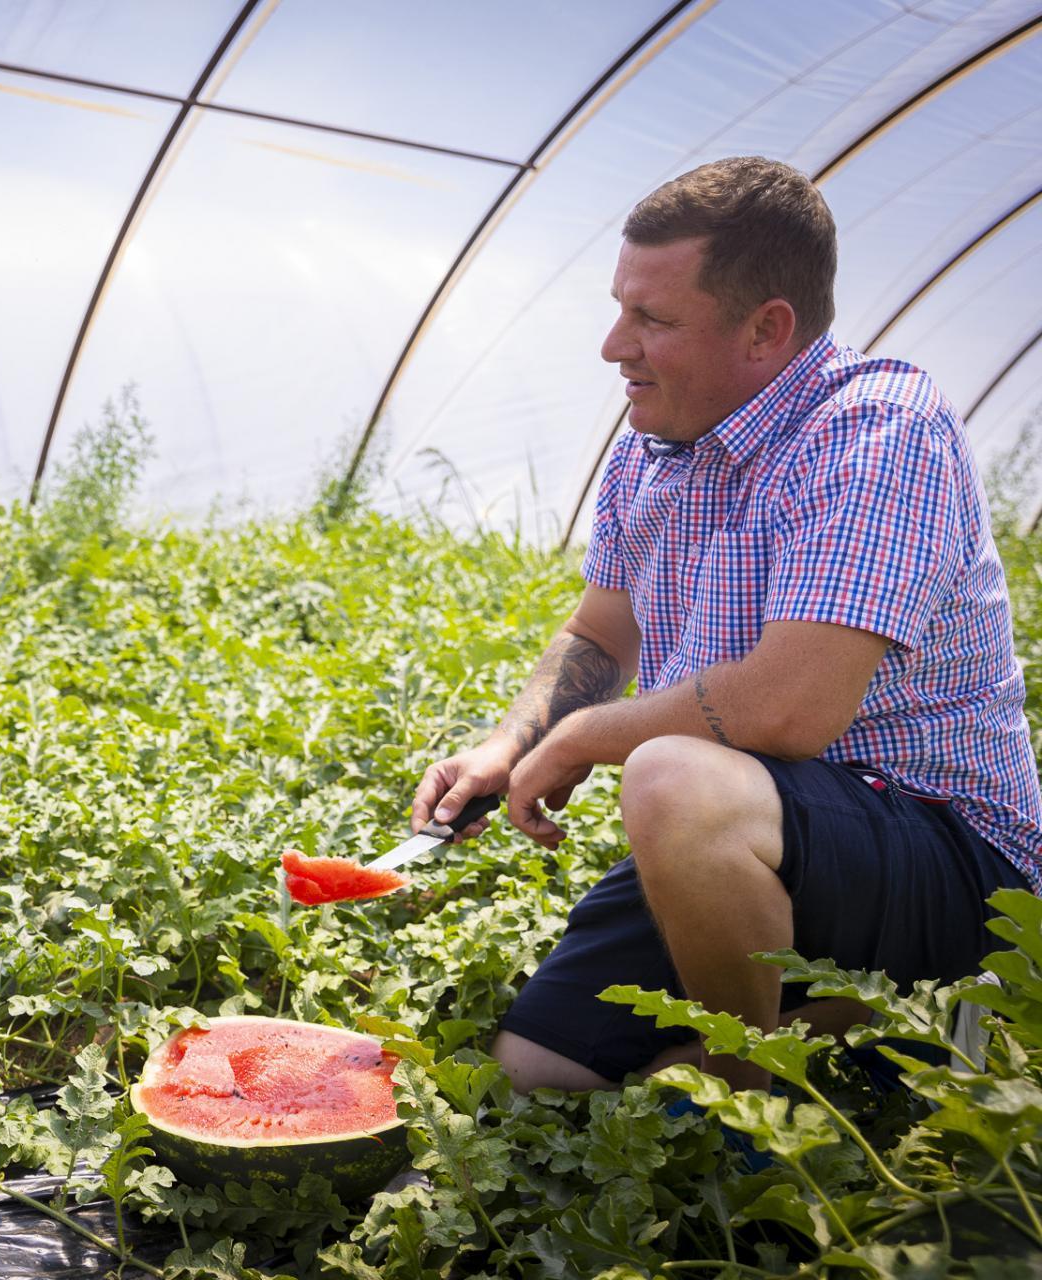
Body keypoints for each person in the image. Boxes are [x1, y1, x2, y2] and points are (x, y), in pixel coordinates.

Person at [413, 155, 1042, 1094]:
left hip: (948, 850)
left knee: (671, 776)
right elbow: (599, 636)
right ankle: (858, 1025)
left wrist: (591, 736)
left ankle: (758, 1101)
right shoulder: (654, 448)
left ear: (767, 330)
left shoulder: (878, 427)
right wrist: (512, 742)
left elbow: (791, 709)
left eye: (652, 319)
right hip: (753, 830)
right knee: (532, 1075)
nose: (612, 345)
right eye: (621, 306)